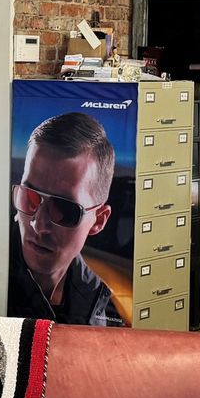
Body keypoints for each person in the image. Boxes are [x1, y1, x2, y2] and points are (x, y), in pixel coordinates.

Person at [8, 110, 120, 325]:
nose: (38, 224)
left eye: (64, 209)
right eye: (29, 198)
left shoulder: (98, 302)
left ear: (98, 220)